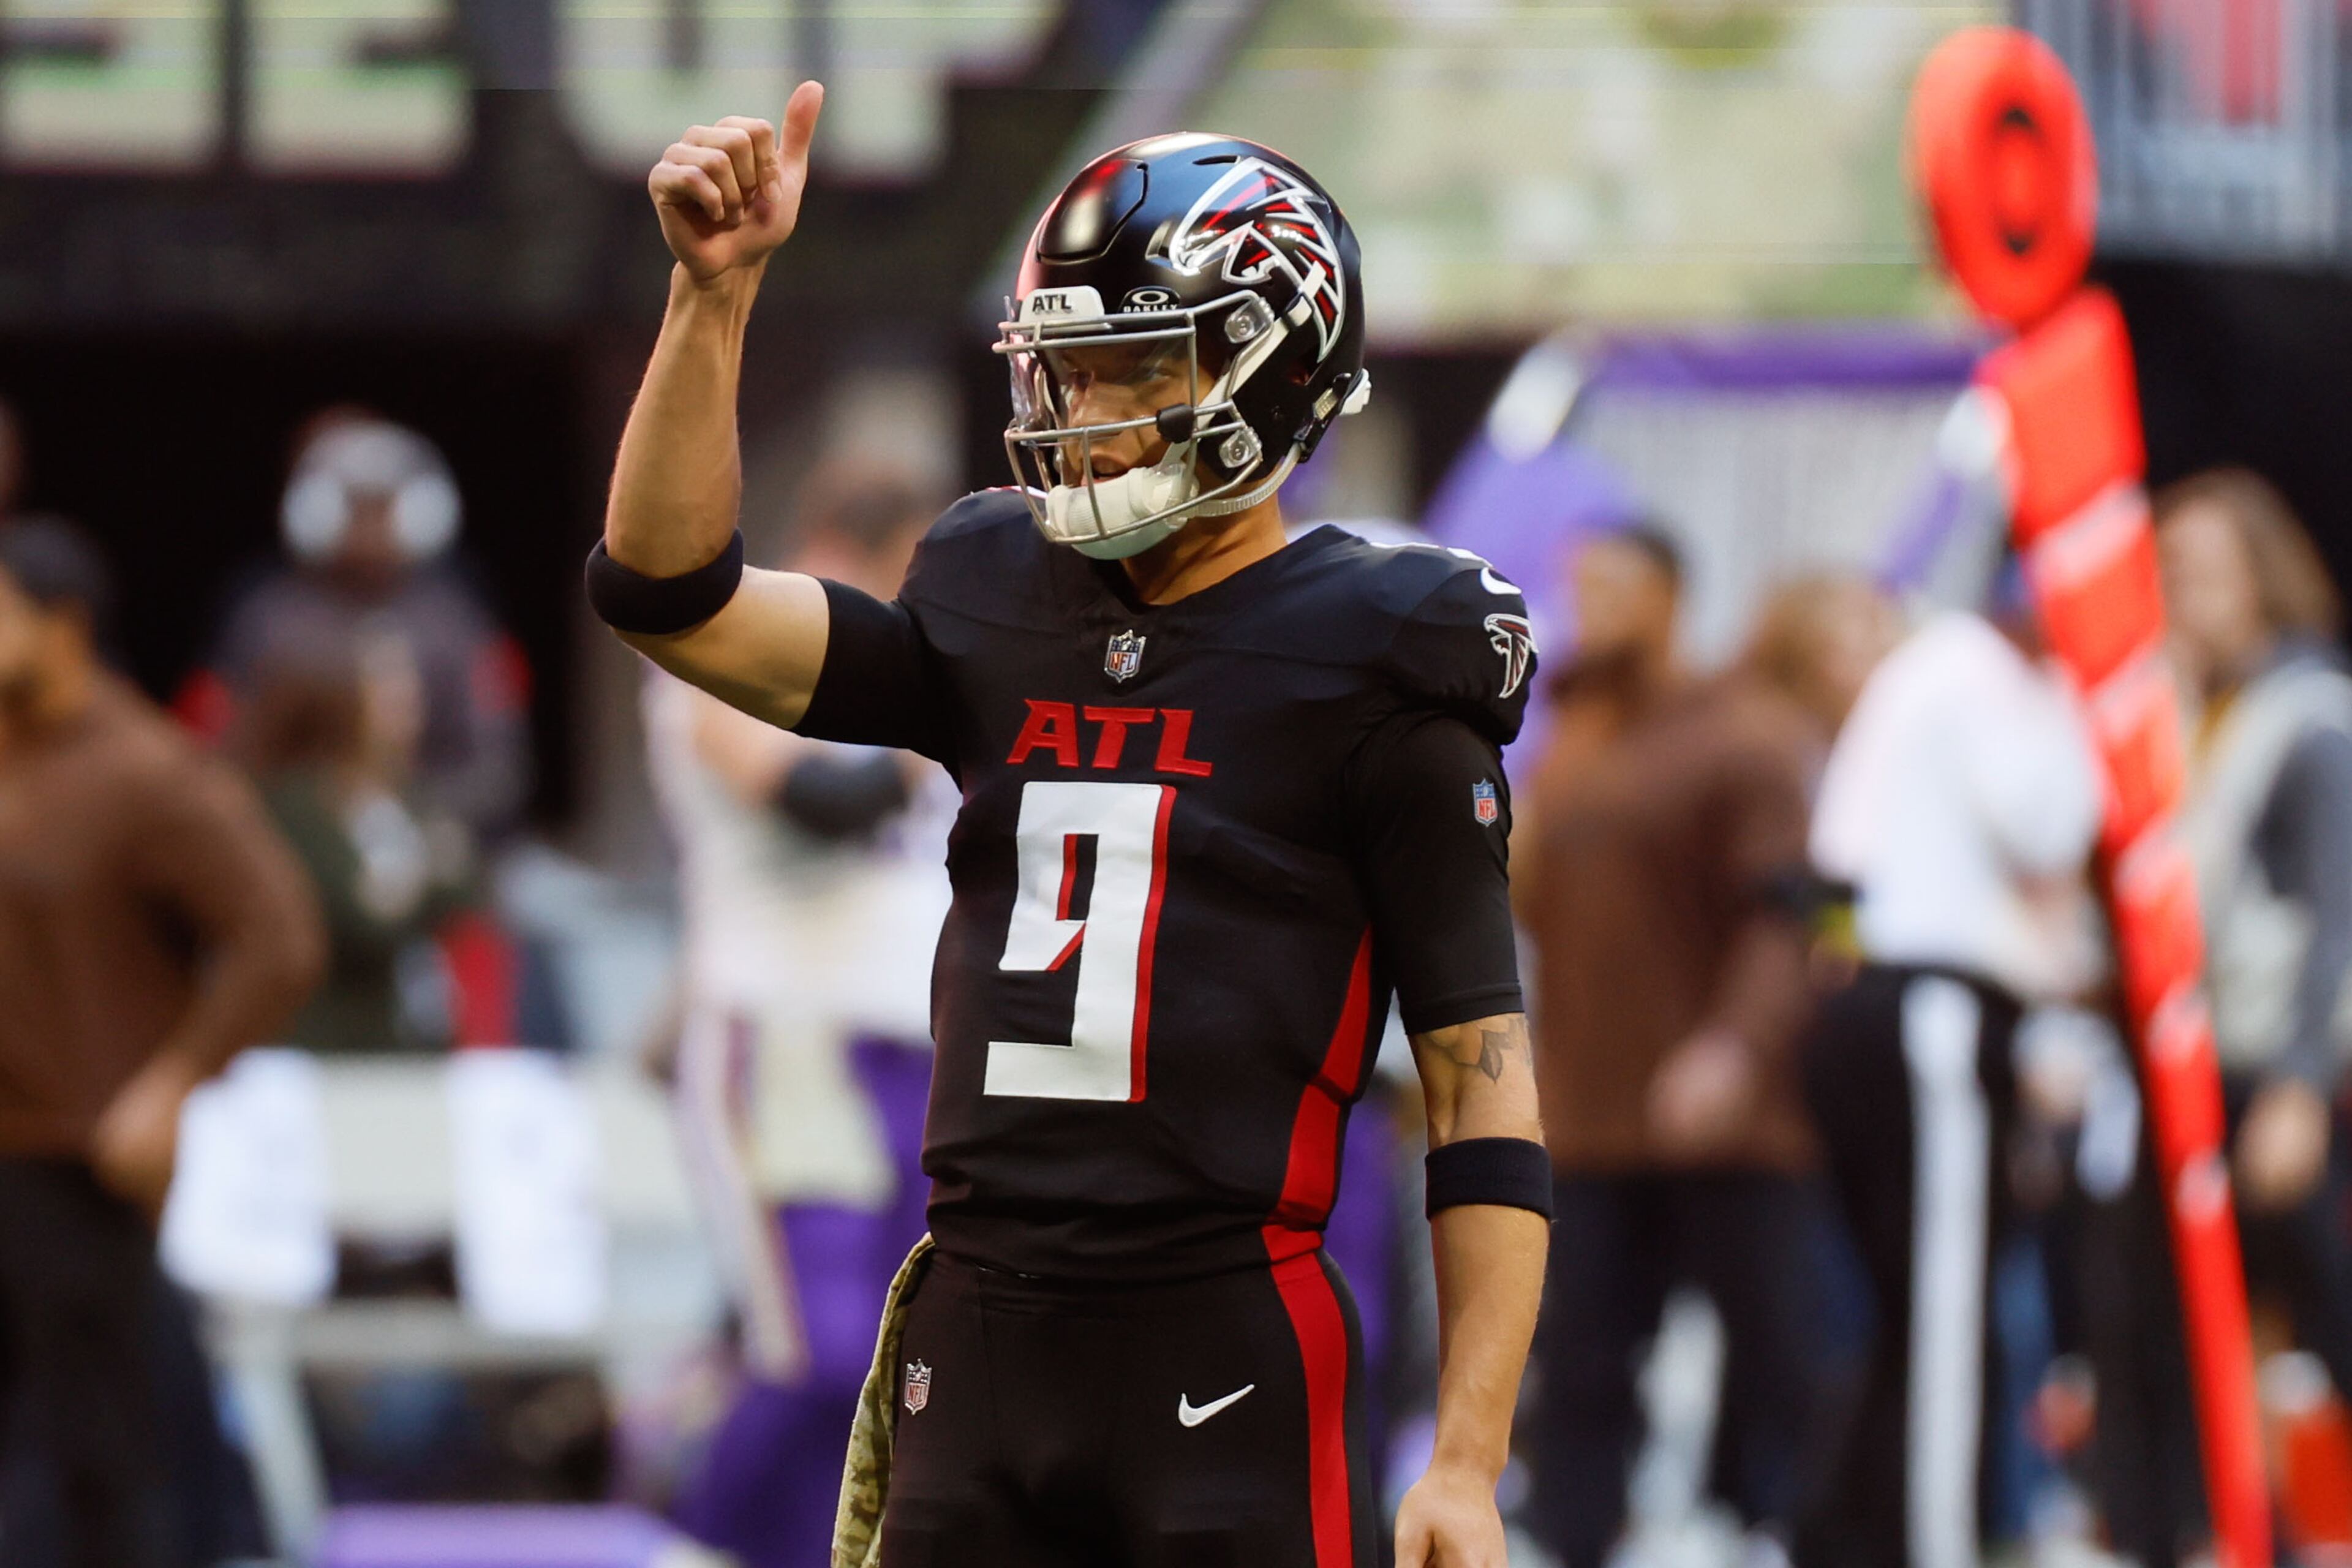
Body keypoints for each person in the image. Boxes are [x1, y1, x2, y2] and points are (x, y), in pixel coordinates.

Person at [588, 88, 1549, 1568]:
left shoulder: (1380, 650)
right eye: (1065, 369)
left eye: (1126, 371)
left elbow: (1480, 1090)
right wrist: (709, 298)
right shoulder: (991, 592)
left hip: (1221, 1332)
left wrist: (1469, 1458)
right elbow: (671, 594)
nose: (1078, 416)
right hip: (975, 1332)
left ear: (1272, 367)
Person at [0, 518, 323, 1567]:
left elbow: (278, 938)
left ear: (64, 627)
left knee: (90, 1462)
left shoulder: (145, 772)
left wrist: (174, 1080)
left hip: (72, 1161)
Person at [644, 461, 948, 1567]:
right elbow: (822, 799)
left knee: (903, 1364)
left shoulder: (901, 658)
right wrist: (941, 730)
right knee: (813, 1349)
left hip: (905, 1050)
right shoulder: (732, 640)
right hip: (785, 1045)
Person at [1514, 525, 1828, 1568]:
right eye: (1577, 584)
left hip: (1727, 1118)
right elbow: (1530, 906)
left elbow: (1795, 918)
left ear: (1671, 595)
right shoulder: (1572, 740)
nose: (1587, 603)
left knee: (1776, 1343)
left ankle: (1780, 1529)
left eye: (1612, 583)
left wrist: (1734, 1050)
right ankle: (1571, 1540)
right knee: (1584, 1352)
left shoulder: (1743, 732)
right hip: (1595, 1114)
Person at [1798, 572, 2104, 1568]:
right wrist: (2087, 704)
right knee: (1946, 1319)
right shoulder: (1981, 671)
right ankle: (1934, 1546)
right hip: (1928, 1006)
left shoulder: (1920, 676)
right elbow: (2049, 826)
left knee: (1902, 1314)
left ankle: (1845, 1538)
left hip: (1879, 1003)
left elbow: (1833, 872)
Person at [2159, 472, 2352, 1452]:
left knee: (2326, 1312)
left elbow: (2338, 914)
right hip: (2209, 1057)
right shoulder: (2203, 712)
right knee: (2229, 1331)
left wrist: (2301, 1087)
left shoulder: (2311, 714)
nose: (2174, 588)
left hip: (2283, 1061)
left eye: (2196, 568)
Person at [201, 411, 532, 845]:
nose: (371, 527)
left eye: (386, 505)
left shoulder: (454, 619)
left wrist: (401, 819)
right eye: (354, 506)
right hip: (294, 836)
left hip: (438, 836)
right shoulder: (267, 618)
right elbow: (218, 749)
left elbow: (499, 766)